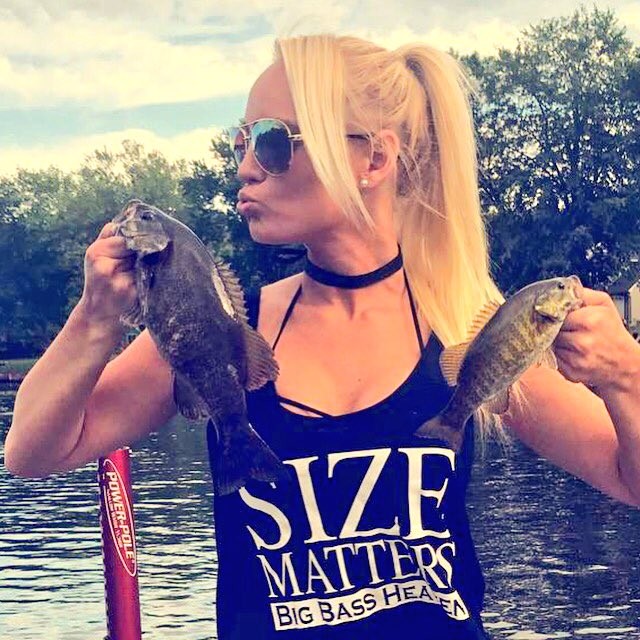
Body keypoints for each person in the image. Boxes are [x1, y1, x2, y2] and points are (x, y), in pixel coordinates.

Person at [5, 33, 640, 639]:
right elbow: (32, 453)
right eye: (240, 143)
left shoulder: (468, 329)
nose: (245, 169)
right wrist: (95, 318)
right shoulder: (222, 331)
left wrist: (625, 375)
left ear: (374, 159)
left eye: (272, 142)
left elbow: (627, 478)